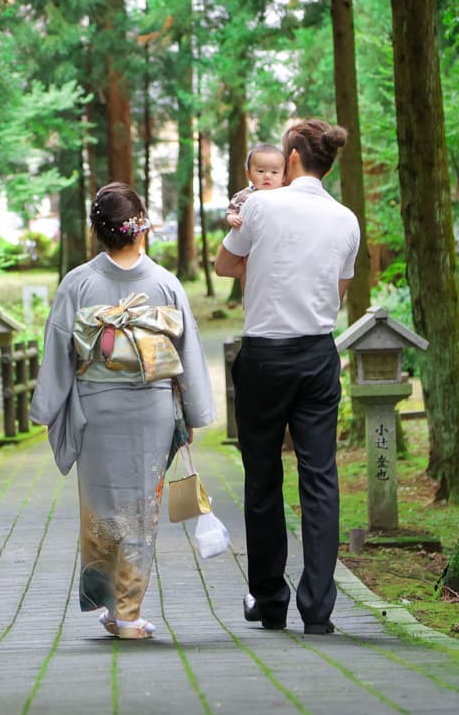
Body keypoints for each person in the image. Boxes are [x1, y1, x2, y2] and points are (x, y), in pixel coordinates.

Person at [31, 182, 215, 640]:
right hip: (151, 407)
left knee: (101, 508)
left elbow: (58, 350)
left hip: (97, 409)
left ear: (98, 231)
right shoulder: (165, 283)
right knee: (140, 511)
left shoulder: (78, 282)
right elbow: (187, 353)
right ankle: (126, 613)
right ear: (141, 228)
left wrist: (47, 408)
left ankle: (115, 608)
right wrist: (192, 413)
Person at [214, 119, 359, 636]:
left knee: (263, 478)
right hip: (318, 354)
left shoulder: (259, 206)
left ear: (292, 157)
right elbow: (337, 290)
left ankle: (270, 599)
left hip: (266, 353)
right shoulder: (347, 219)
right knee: (320, 478)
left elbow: (224, 265)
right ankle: (318, 610)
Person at [225, 143, 285, 230]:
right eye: (261, 171)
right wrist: (232, 218)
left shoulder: (285, 194)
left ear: (283, 176)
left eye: (274, 172)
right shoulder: (243, 196)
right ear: (248, 174)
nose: (267, 176)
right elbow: (230, 212)